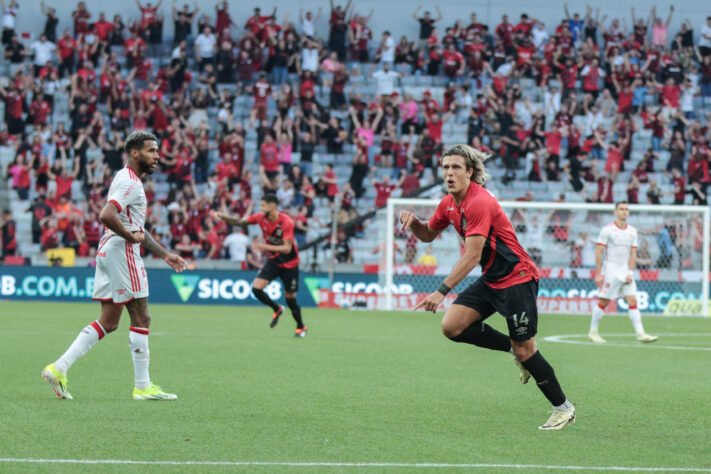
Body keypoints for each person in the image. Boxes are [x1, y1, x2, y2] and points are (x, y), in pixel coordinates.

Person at [399, 144, 575, 431]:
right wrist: (415, 222)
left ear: (470, 172)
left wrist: (440, 291)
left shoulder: (479, 202)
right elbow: (428, 234)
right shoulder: (448, 204)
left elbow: (472, 255)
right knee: (452, 326)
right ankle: (514, 350)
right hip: (493, 279)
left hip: (517, 277)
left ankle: (563, 408)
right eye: (445, 167)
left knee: (526, 351)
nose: (449, 173)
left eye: (456, 167)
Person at [41, 131, 188, 401]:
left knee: (109, 321)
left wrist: (164, 254)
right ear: (135, 153)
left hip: (108, 250)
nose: (157, 156)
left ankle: (58, 368)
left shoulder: (125, 178)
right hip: (122, 251)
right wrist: (129, 237)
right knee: (142, 316)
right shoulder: (131, 183)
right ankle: (143, 387)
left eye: (157, 151)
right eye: (151, 151)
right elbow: (107, 214)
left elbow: (137, 227)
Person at [214, 193, 307, 337]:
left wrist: (265, 247)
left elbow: (287, 248)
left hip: (290, 263)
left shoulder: (286, 222)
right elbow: (240, 222)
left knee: (290, 299)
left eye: (263, 205)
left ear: (273, 206)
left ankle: (301, 327)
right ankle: (276, 308)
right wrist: (224, 217)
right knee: (256, 289)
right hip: (275, 260)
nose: (260, 208)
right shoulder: (259, 217)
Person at [588, 202, 658, 344]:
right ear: (615, 211)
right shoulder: (607, 230)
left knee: (632, 300)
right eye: (621, 209)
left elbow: (633, 254)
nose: (624, 211)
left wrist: (631, 272)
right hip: (611, 270)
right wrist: (598, 273)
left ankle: (641, 334)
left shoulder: (632, 231)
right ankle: (593, 332)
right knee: (604, 301)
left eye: (627, 209)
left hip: (625, 271)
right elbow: (599, 252)